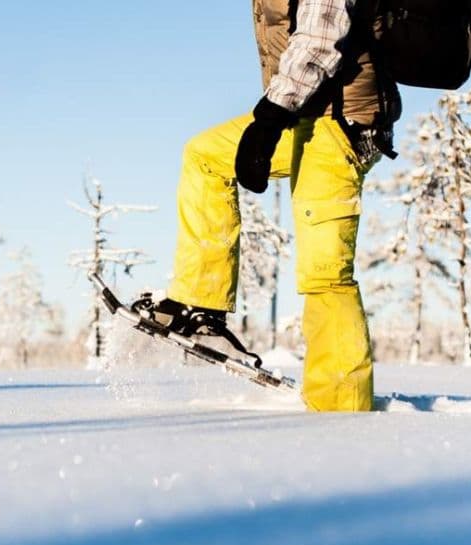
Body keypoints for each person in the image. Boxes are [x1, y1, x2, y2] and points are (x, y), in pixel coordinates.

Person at [142, 0, 400, 412]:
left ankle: (342, 410)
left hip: (341, 121)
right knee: (205, 156)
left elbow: (320, 37)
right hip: (304, 113)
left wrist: (269, 119)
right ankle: (201, 303)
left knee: (325, 273)